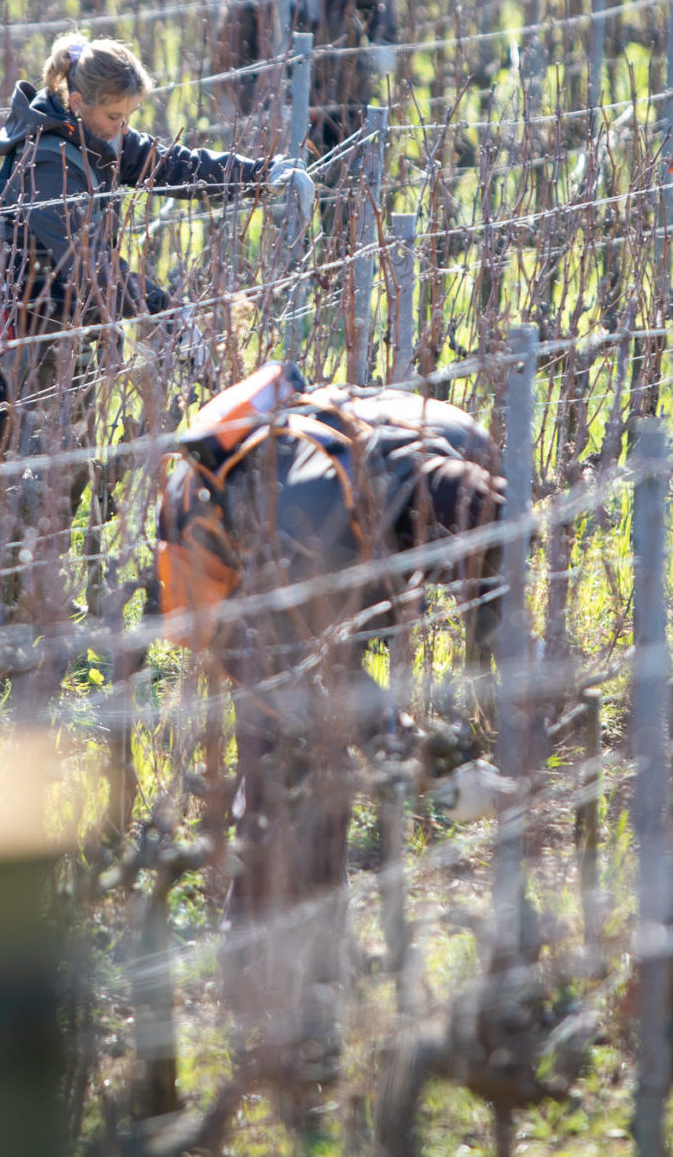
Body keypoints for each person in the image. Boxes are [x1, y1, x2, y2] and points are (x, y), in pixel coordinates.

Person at [155, 363, 504, 1120]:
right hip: (234, 577)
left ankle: (310, 989)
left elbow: (494, 573)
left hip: (310, 562)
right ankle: (263, 1005)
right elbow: (321, 666)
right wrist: (423, 760)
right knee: (288, 777)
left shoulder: (453, 453)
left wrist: (498, 671)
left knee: (323, 782)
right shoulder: (315, 518)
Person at [0, 33, 312, 459]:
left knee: (60, 455)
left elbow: (173, 165)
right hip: (3, 321)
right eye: (116, 116)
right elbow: (94, 272)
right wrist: (169, 313)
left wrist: (262, 175)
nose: (124, 128)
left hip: (52, 317)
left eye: (129, 117)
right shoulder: (47, 164)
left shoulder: (97, 136)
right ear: (79, 103)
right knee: (6, 456)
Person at [212, 0, 399, 158]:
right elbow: (231, 61)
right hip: (282, 114)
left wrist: (383, 44)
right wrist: (263, 106)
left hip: (345, 97)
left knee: (346, 167)